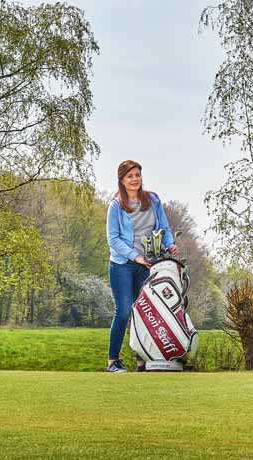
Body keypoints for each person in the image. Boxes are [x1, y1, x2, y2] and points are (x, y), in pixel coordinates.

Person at [106, 159, 178, 373]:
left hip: (149, 264)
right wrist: (134, 256)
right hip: (122, 265)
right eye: (130, 176)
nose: (135, 179)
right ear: (122, 180)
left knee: (145, 313)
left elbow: (163, 227)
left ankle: (142, 361)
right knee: (124, 311)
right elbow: (113, 239)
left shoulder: (153, 200)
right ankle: (113, 361)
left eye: (137, 175)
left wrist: (170, 244)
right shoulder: (116, 206)